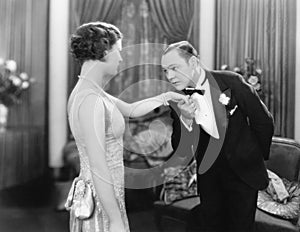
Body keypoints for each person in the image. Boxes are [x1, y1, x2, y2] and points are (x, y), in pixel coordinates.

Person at [65, 22, 188, 232]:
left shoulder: (91, 91)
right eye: (118, 52)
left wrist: (166, 97)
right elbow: (98, 166)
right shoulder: (90, 100)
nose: (121, 59)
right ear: (104, 51)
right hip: (102, 203)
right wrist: (115, 220)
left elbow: (131, 110)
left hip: (107, 195)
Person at [161, 41, 274, 232]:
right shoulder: (177, 100)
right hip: (209, 177)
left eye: (174, 68)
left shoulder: (232, 82)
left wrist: (254, 156)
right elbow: (180, 149)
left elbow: (263, 122)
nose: (169, 76)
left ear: (194, 63)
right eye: (165, 71)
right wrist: (186, 120)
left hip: (243, 173)